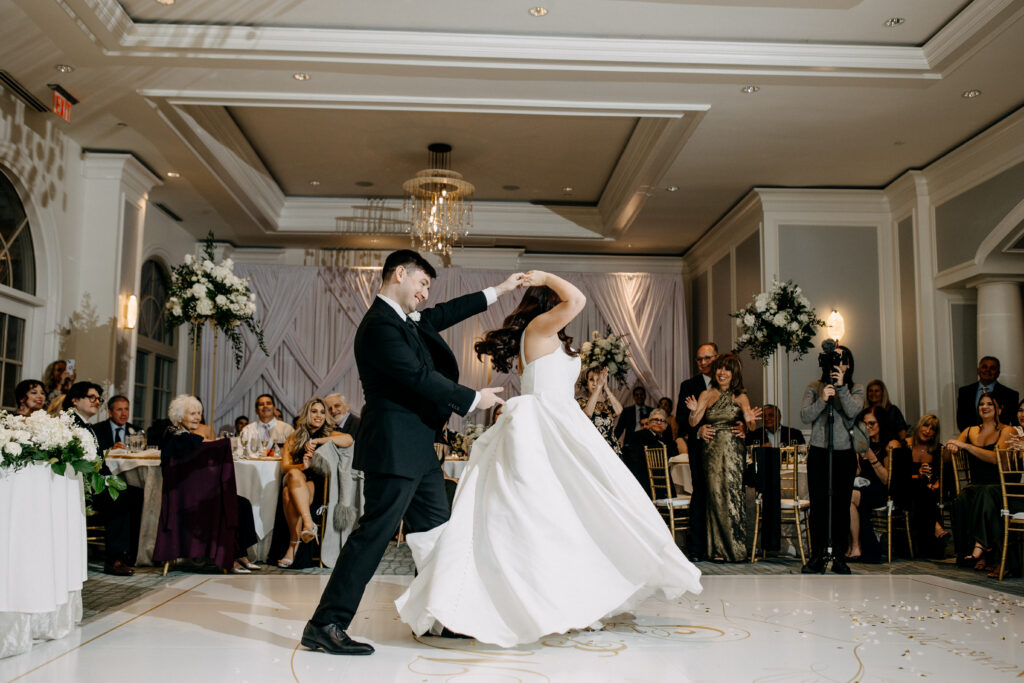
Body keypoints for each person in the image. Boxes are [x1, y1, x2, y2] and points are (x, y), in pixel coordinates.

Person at [394, 270, 701, 647]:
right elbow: (579, 300)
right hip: (544, 424)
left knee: (574, 511)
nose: (564, 310)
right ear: (548, 302)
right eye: (556, 299)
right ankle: (545, 599)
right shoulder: (539, 327)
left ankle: (567, 595)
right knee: (553, 514)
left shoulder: (543, 334)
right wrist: (545, 276)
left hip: (556, 423)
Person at [302, 250, 519, 655]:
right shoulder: (379, 326)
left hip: (418, 449)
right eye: (421, 284)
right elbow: (417, 377)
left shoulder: (406, 321)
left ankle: (440, 617)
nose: (423, 294)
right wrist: (473, 398)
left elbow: (447, 312)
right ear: (400, 274)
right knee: (374, 536)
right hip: (394, 447)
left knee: (437, 535)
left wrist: (500, 290)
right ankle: (326, 623)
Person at [165, 394, 260, 574]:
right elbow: (208, 447)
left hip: (196, 494)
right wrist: (222, 445)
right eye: (192, 413)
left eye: (199, 413)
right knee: (235, 504)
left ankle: (240, 554)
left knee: (242, 503)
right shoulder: (179, 438)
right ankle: (231, 558)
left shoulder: (183, 436)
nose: (197, 417)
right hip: (186, 501)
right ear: (179, 416)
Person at [686, 353, 760, 562]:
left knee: (733, 496)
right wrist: (693, 413)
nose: (722, 373)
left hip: (734, 451)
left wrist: (749, 422)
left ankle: (735, 548)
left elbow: (751, 424)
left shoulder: (741, 397)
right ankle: (717, 550)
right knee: (715, 496)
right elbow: (694, 422)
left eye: (727, 369)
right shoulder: (706, 394)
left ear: (734, 373)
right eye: (719, 368)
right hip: (711, 451)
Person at [799, 344, 864, 575]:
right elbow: (805, 416)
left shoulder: (856, 388)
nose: (837, 366)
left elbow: (852, 413)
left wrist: (841, 388)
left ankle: (838, 555)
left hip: (844, 453)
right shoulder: (814, 387)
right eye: (833, 362)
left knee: (840, 506)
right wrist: (823, 399)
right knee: (818, 505)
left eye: (842, 362)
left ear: (848, 366)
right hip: (818, 451)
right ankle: (817, 555)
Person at [277, 397, 354, 568]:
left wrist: (318, 441)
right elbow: (285, 467)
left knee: (288, 492)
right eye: (314, 411)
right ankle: (308, 524)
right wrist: (302, 466)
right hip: (297, 479)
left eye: (321, 412)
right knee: (292, 475)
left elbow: (348, 440)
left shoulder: (329, 434)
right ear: (306, 414)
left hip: (318, 486)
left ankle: (293, 545)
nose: (318, 415)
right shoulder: (293, 437)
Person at [949, 393, 1016, 575]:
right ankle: (974, 552)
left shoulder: (1007, 430)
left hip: (999, 485)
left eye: (990, 404)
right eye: (981, 404)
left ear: (999, 409)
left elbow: (996, 458)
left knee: (985, 494)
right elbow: (951, 448)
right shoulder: (970, 430)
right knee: (961, 498)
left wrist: (967, 446)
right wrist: (953, 446)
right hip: (976, 484)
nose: (984, 407)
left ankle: (985, 549)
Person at [676, 342, 718, 560]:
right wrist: (697, 431)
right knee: (700, 494)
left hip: (723, 451)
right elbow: (682, 420)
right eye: (700, 359)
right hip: (699, 449)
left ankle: (721, 546)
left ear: (717, 357)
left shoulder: (728, 382)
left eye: (707, 358)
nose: (703, 363)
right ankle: (697, 547)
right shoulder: (688, 385)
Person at [846, 407, 900, 562]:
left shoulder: (891, 444)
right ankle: (854, 546)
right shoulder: (861, 442)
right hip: (863, 488)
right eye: (864, 424)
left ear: (881, 424)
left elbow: (887, 480)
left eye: (872, 423)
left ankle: (856, 546)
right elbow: (857, 473)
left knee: (848, 497)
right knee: (845, 496)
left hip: (882, 490)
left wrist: (871, 457)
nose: (867, 427)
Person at [899, 414, 948, 558]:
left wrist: (934, 482)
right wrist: (917, 474)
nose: (928, 431)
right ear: (919, 426)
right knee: (921, 488)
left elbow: (941, 475)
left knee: (924, 491)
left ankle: (932, 541)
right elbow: (899, 478)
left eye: (932, 429)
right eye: (925, 426)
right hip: (904, 492)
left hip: (925, 494)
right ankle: (937, 528)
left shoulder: (936, 450)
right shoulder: (904, 446)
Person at [956, 356, 1019, 431]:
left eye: (992, 368)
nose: (988, 370)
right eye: (984, 367)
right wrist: (970, 436)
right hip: (969, 438)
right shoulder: (964, 392)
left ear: (998, 373)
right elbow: (961, 419)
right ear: (978, 370)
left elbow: (1015, 422)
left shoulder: (1010, 395)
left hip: (999, 439)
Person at [577, 365, 623, 455]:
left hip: (612, 450)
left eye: (598, 380)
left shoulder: (608, 404)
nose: (595, 383)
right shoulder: (581, 402)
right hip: (593, 450)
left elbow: (619, 410)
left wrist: (606, 387)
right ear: (586, 384)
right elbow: (588, 414)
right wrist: (598, 387)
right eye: (591, 380)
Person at [614, 384, 651, 448]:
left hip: (647, 443)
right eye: (637, 395)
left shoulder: (651, 411)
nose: (639, 397)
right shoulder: (626, 411)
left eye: (641, 394)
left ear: (645, 396)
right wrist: (612, 441)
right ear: (633, 397)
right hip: (630, 443)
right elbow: (619, 429)